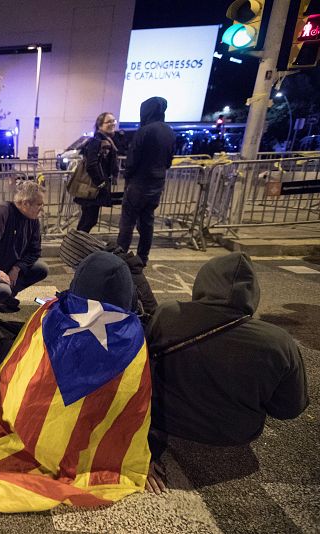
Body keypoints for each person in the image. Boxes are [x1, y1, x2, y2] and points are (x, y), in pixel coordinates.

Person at [0, 251, 152, 512]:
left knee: (7, 342)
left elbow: (22, 358)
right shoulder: (133, 340)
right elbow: (137, 404)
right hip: (84, 445)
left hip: (30, 425)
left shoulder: (52, 314)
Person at [144, 252, 309, 493]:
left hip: (167, 423)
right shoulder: (278, 341)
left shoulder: (168, 314)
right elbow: (289, 409)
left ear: (203, 282)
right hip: (234, 435)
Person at [116, 96, 176, 266]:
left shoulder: (144, 131)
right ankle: (142, 258)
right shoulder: (169, 132)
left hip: (139, 183)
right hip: (157, 183)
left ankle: (120, 257)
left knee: (127, 223)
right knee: (147, 222)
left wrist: (128, 177)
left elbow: (132, 160)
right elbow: (169, 160)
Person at [0, 180, 48, 313]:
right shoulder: (4, 212)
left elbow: (35, 251)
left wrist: (17, 267)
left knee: (42, 268)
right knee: (1, 290)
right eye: (39, 204)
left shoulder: (33, 220)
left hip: (9, 266)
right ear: (25, 203)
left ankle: (5, 296)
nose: (42, 208)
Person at [75, 112, 120, 233]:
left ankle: (76, 244)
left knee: (88, 219)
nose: (112, 124)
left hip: (94, 187)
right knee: (89, 220)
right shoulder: (97, 140)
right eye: (108, 122)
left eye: (113, 121)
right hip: (92, 188)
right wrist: (101, 183)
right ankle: (76, 245)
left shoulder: (106, 140)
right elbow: (91, 165)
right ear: (100, 125)